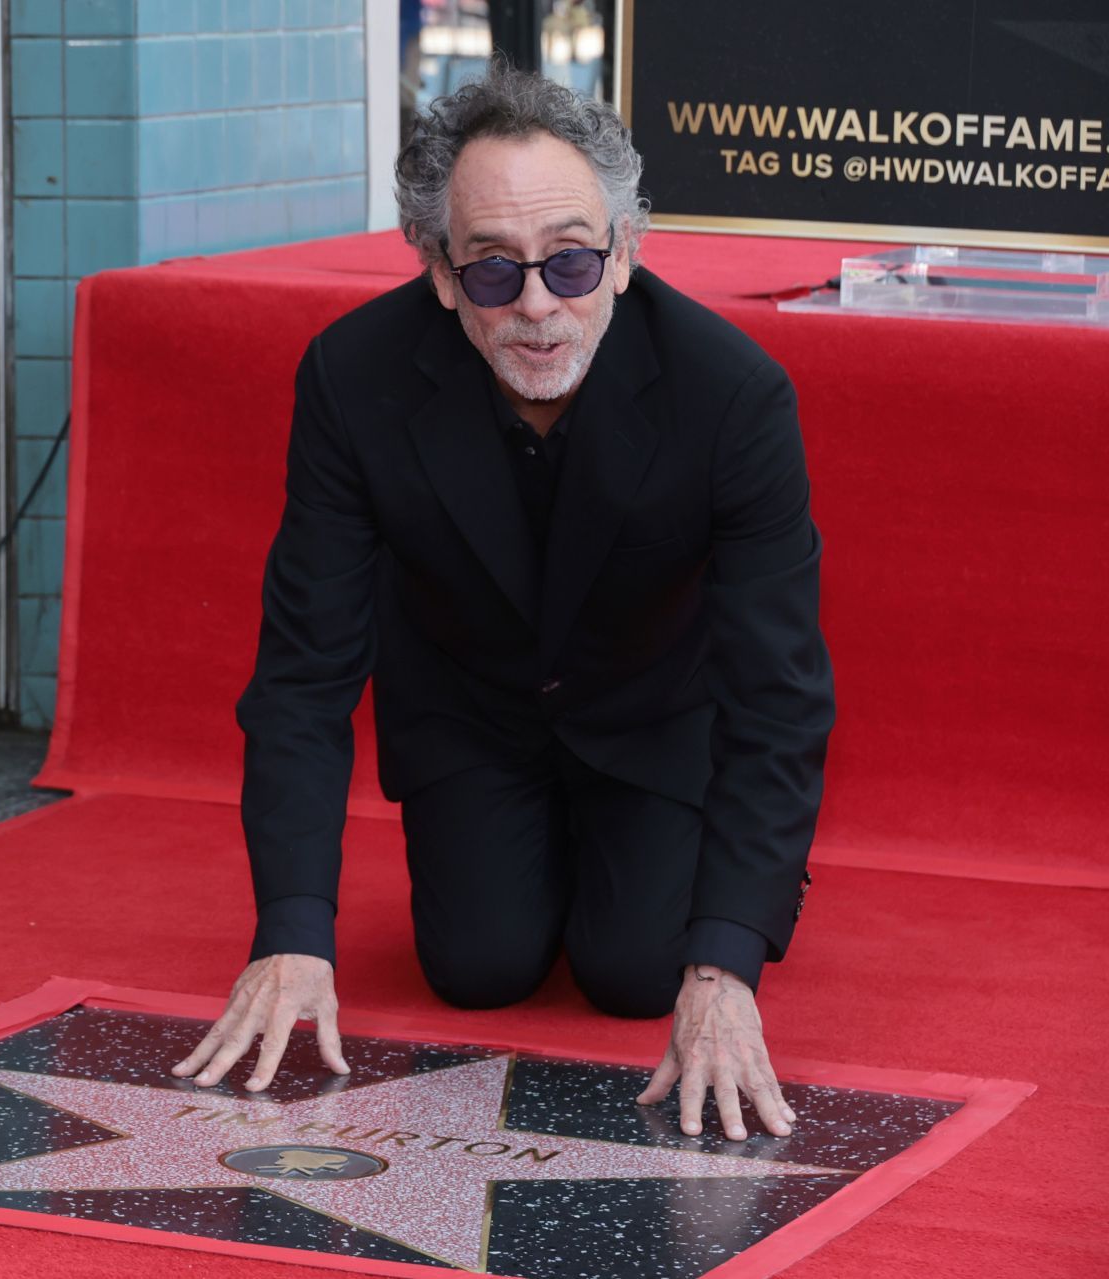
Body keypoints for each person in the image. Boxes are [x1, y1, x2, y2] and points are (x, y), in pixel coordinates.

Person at [172, 64, 835, 1145]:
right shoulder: (353, 378)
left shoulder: (734, 397)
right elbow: (304, 669)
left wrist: (726, 958)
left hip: (654, 717)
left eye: (572, 260)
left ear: (623, 253)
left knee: (635, 973)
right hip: (470, 713)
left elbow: (781, 692)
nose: (537, 305)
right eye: (493, 271)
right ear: (440, 273)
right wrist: (292, 930)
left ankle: (681, 870)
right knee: (476, 969)